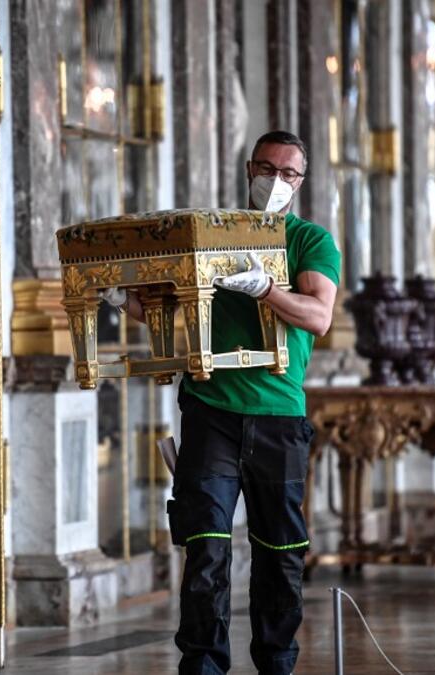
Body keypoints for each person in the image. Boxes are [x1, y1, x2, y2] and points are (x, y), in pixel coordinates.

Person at [105, 130, 340, 674]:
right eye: (265, 168)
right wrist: (121, 299)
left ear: (301, 182)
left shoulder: (309, 241)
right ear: (248, 170)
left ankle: (277, 663)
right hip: (210, 410)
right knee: (205, 547)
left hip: (278, 413)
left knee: (280, 554)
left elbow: (318, 316)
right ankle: (204, 666)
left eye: (288, 173)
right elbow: (171, 310)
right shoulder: (214, 234)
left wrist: (265, 290)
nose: (274, 181)